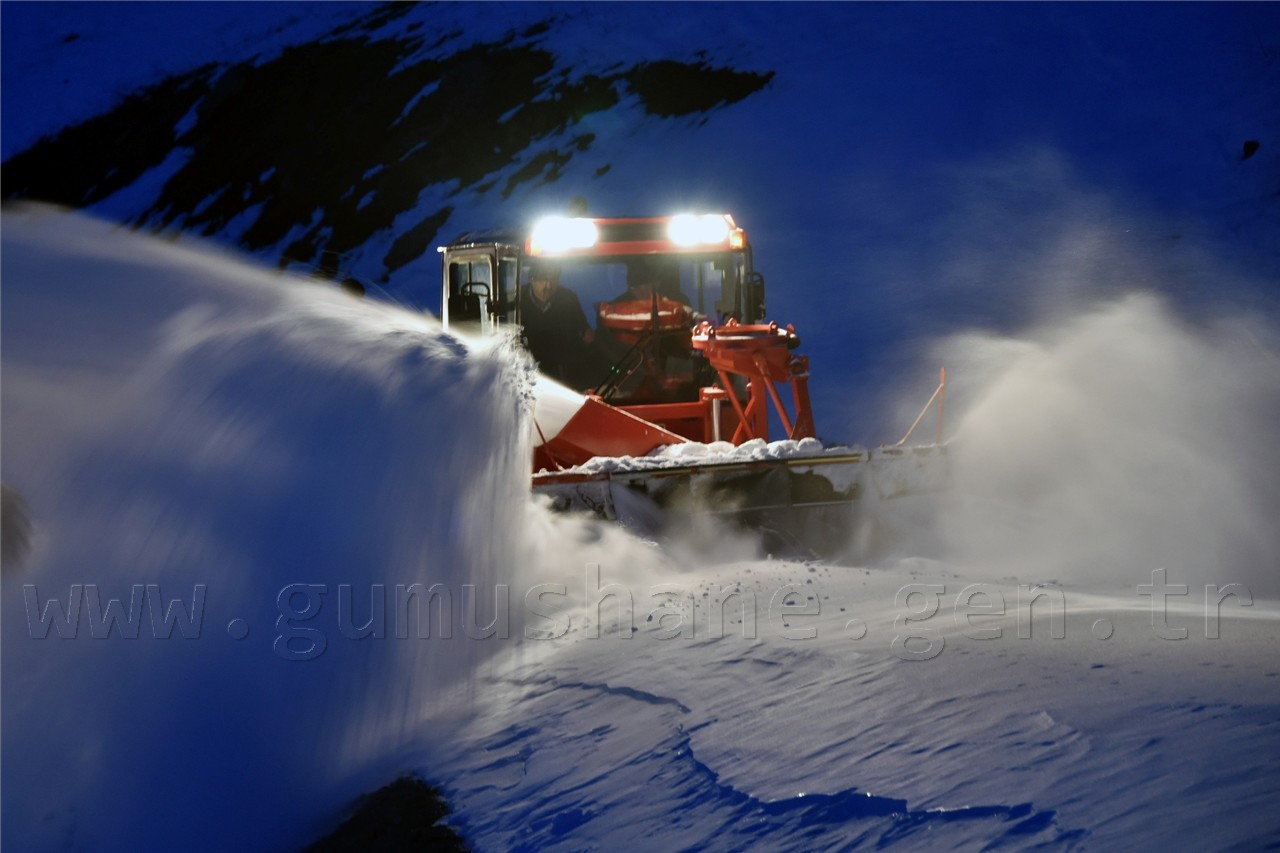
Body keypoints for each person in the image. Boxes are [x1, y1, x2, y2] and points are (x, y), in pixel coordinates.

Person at [519, 263, 595, 386]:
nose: (548, 286)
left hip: (563, 377)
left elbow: (585, 334)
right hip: (525, 377)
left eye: (553, 279)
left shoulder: (568, 299)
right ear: (532, 279)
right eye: (543, 279)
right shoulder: (516, 300)